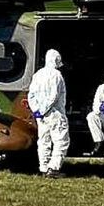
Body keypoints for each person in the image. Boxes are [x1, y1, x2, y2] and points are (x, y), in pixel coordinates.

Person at [27, 49, 70, 178]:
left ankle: (44, 167)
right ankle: (54, 168)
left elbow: (31, 95)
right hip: (55, 113)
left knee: (44, 140)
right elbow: (54, 97)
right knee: (61, 140)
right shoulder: (57, 75)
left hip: (41, 116)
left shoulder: (38, 74)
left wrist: (36, 111)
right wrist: (43, 110)